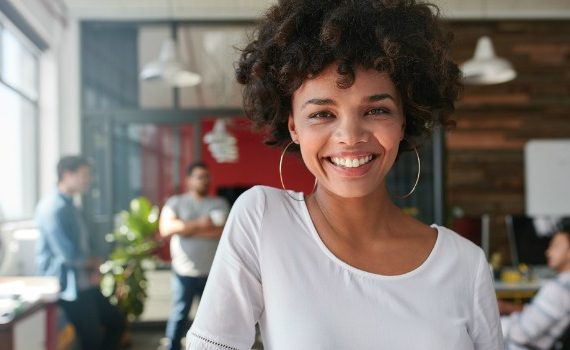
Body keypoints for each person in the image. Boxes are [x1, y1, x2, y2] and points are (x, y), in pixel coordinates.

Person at [186, 1, 503, 349]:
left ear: (403, 121)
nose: (351, 137)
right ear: (294, 126)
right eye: (323, 114)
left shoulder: (464, 265)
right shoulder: (263, 221)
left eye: (376, 110)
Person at [35, 155, 125, 350]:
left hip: (84, 282)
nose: (88, 180)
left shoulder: (71, 205)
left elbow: (85, 245)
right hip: (68, 287)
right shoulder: (53, 208)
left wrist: (93, 267)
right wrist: (93, 264)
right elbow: (67, 254)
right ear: (67, 175)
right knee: (91, 339)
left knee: (115, 322)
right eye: (84, 175)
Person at [159, 162, 230, 350]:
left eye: (207, 177)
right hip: (184, 273)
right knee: (179, 316)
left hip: (212, 274)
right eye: (200, 177)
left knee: (213, 320)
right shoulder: (176, 202)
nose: (204, 181)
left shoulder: (219, 203)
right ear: (189, 180)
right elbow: (166, 229)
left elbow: (224, 232)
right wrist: (200, 223)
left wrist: (185, 229)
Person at [499, 221, 570, 350]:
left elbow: (519, 334)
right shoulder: (564, 287)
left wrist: (487, 324)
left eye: (555, 246)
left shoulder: (557, 290)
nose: (548, 252)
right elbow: (541, 315)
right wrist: (507, 308)